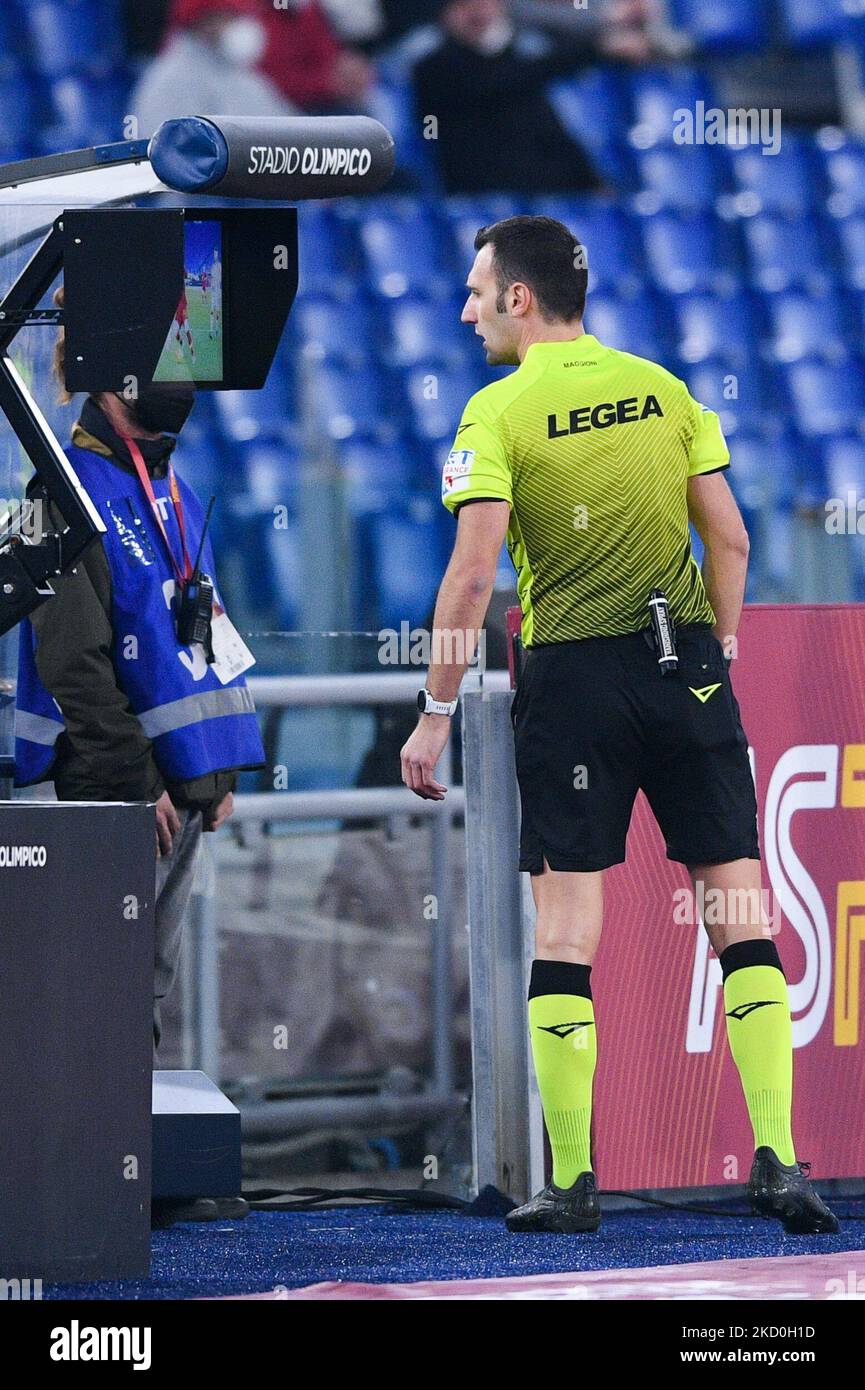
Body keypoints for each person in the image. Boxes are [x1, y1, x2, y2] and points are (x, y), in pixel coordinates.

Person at [399, 215, 838, 1236]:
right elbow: (728, 536)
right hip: (682, 666)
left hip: (574, 681)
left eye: (475, 291)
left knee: (567, 931)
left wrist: (431, 713)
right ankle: (776, 1159)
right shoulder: (665, 388)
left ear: (518, 297)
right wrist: (716, 651)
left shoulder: (496, 410)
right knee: (740, 910)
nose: (464, 310)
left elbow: (472, 578)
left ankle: (576, 1183)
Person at [14, 294, 266, 1059]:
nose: (179, 380)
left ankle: (136, 1169)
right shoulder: (55, 494)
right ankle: (91, 1172)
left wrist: (214, 773)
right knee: (92, 994)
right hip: (114, 792)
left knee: (138, 996)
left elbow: (199, 637)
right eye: (161, 364)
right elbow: (73, 665)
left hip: (179, 794)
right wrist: (134, 781)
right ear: (107, 382)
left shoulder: (178, 492)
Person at [411, 0, 649, 194]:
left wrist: (591, 181)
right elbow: (501, 84)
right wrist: (595, 49)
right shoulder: (434, 70)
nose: (477, 11)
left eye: (484, 3)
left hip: (549, 192)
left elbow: (550, 130)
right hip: (488, 195)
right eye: (463, 5)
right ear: (445, 14)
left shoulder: (514, 62)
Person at [129, 0, 296, 140]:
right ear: (202, 21)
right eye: (230, 16)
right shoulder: (171, 81)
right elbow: (172, 155)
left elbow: (292, 132)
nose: (241, 24)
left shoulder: (245, 76)